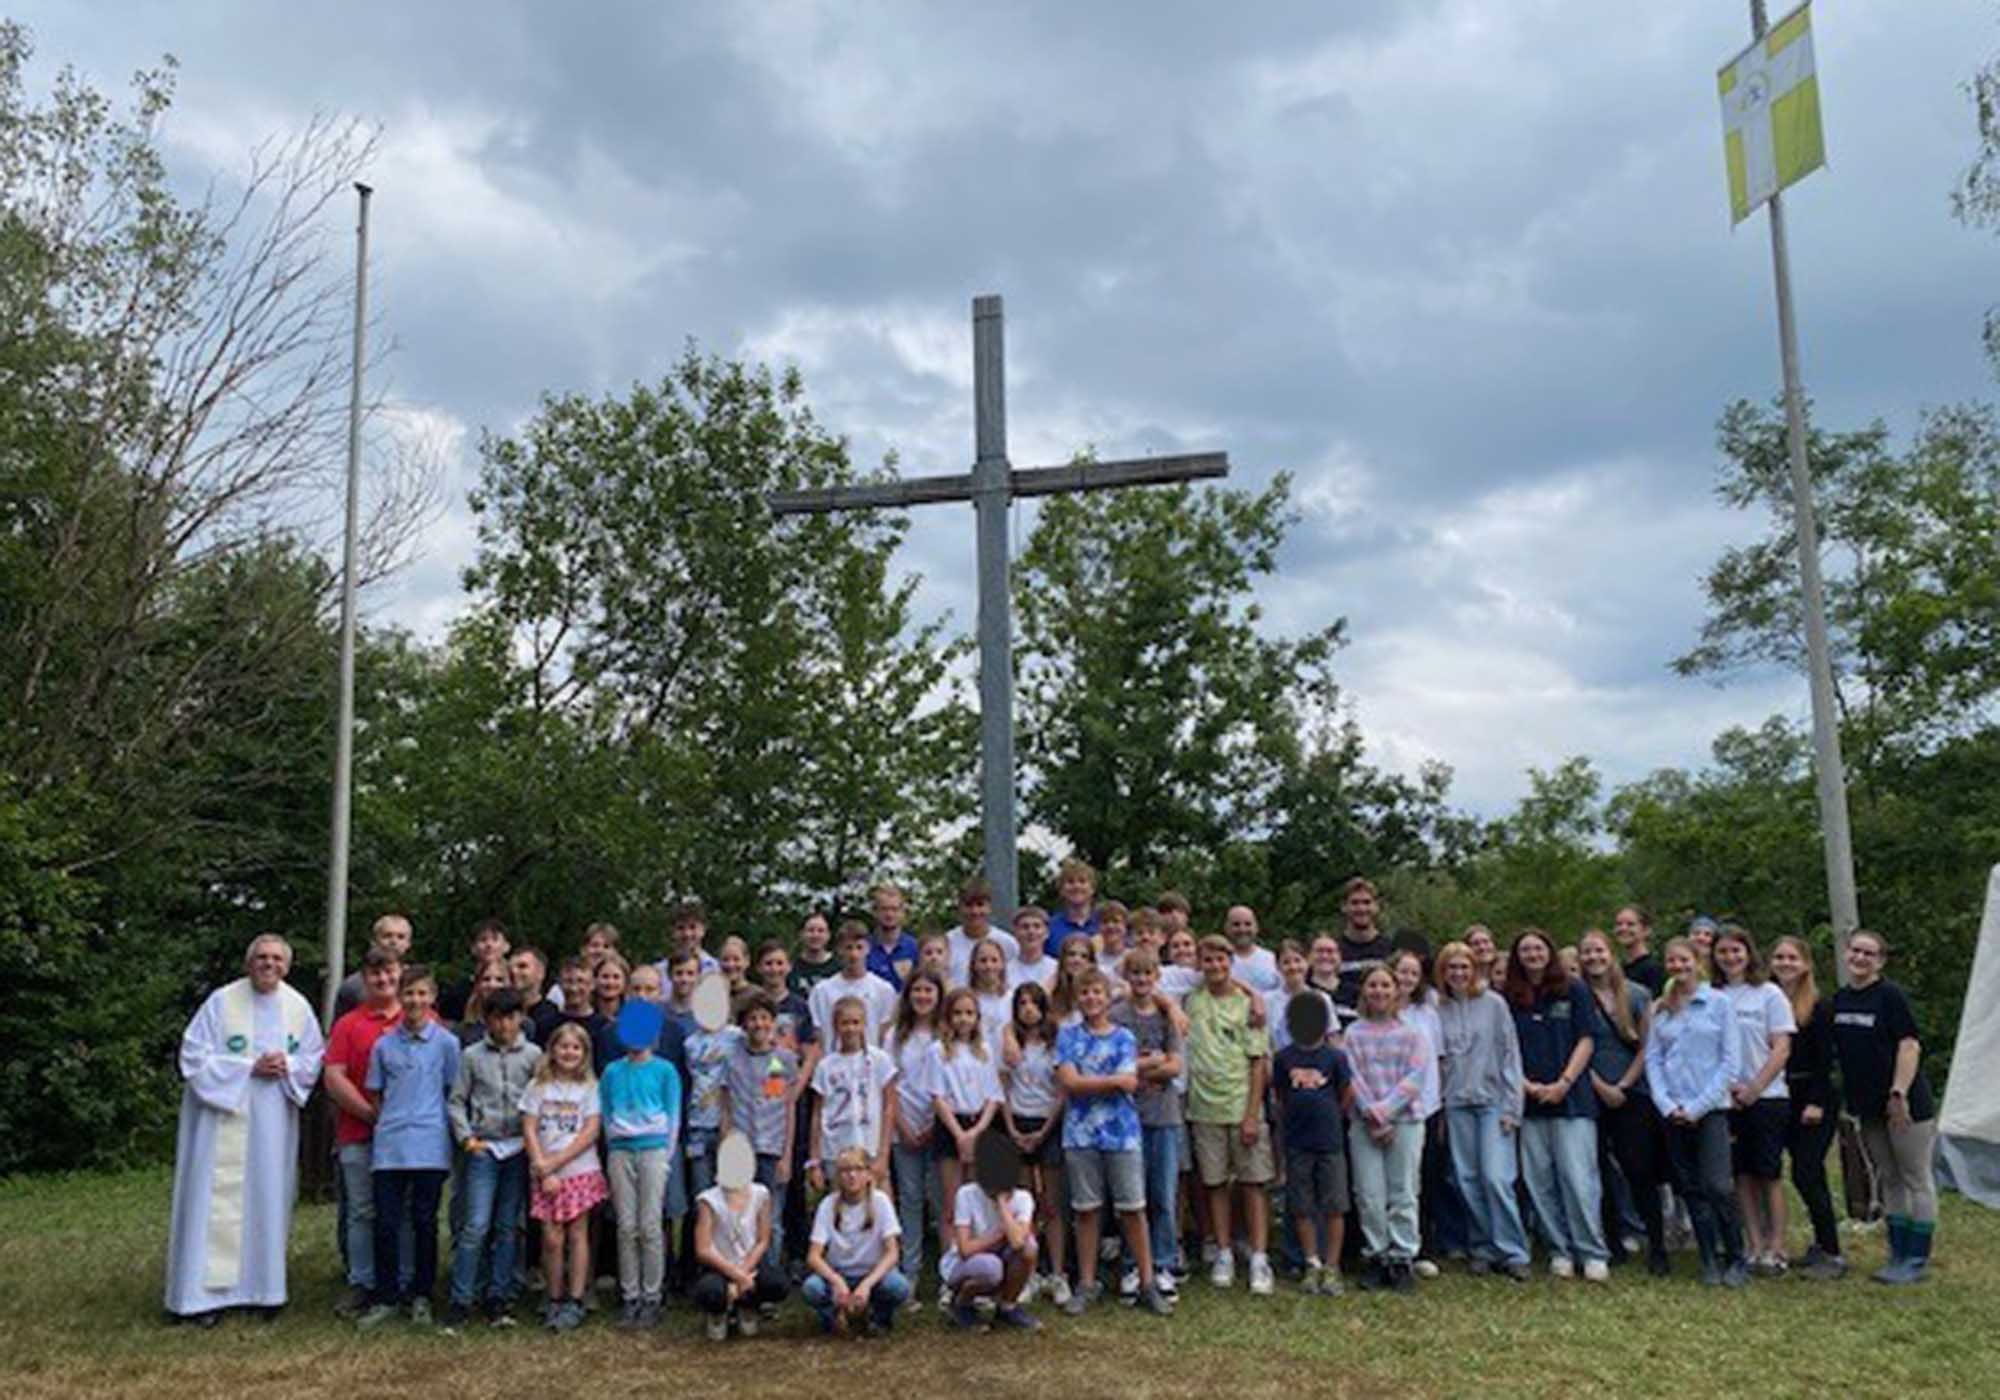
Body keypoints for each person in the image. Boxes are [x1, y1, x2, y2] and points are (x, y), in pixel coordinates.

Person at [164, 934, 324, 1325]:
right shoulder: (221, 1002)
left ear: (287, 966)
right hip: (220, 1123)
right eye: (261, 957)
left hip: (271, 1126)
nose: (268, 964)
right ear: (248, 962)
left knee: (266, 1197)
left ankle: (263, 1290)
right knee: (211, 1203)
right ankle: (201, 1300)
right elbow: (192, 1057)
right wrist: (248, 1068)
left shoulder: (297, 1006)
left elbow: (313, 1057)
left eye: (276, 959)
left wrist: (287, 1064)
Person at [1057, 969, 1172, 1317]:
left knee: (1133, 1208)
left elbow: (1128, 1082)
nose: (1091, 999)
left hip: (1122, 1133)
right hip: (1080, 1134)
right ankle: (1087, 1283)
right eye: (1084, 993)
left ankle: (1148, 1283)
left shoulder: (1124, 1036)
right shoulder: (1067, 1036)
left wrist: (1092, 1080)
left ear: (1108, 998)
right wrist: (1111, 1081)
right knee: (1087, 1209)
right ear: (1077, 999)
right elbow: (1070, 1083)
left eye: (1097, 992)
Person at [1831, 929, 1939, 1284]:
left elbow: (1909, 1045)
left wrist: (1899, 1093)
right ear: (1846, 954)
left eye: (1869, 953)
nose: (1860, 958)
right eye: (1856, 951)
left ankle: (1917, 1258)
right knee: (1888, 1177)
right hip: (1867, 1106)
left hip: (1905, 1105)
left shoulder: (1890, 996)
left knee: (1915, 1177)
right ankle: (1897, 1252)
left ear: (1880, 961)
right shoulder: (1842, 999)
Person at [358, 965, 462, 1329]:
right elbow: (377, 1093)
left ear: (432, 998)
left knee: (424, 1222)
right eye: (409, 994)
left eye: (422, 994)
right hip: (390, 1146)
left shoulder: (448, 1044)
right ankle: (386, 1296)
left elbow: (453, 1091)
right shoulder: (384, 1045)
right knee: (385, 1223)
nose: (416, 1000)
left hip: (430, 1144)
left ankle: (421, 1295)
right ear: (399, 998)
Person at [1505, 930, 1609, 1281]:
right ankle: (1559, 1249)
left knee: (1578, 1178)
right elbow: (1504, 1049)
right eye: (1525, 950)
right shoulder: (1511, 996)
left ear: (1549, 952)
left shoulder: (1574, 988)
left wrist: (1564, 1082)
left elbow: (1587, 1039)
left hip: (1571, 1100)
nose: (1532, 954)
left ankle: (1591, 1251)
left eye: (1538, 948)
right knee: (1540, 1181)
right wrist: (1526, 1086)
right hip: (1530, 1102)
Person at [1647, 937, 1748, 1287]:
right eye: (1672, 961)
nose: (1678, 966)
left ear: (1697, 961)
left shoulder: (1718, 1003)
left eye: (1684, 960)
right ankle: (1708, 1258)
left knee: (1718, 1185)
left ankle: (1736, 1255)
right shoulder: (1662, 1007)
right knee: (1690, 1187)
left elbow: (1730, 1061)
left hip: (1710, 1110)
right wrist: (1666, 1103)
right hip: (1672, 1110)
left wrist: (1698, 1107)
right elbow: (1653, 1059)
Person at [1433, 941, 1530, 1281]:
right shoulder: (1438, 1008)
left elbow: (1510, 1055)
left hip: (1493, 1102)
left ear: (1474, 970)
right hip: (1457, 1102)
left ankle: (1513, 1249)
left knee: (1496, 1176)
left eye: (1464, 967)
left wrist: (1512, 1107)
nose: (1458, 974)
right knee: (1467, 1178)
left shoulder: (1494, 1004)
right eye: (1451, 968)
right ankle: (1483, 1247)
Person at [1576, 929, 1668, 1275]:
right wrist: (1600, 1086)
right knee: (1598, 1170)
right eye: (1586, 952)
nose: (1593, 957)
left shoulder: (1637, 994)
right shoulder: (1576, 996)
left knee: (1639, 1169)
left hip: (1634, 1092)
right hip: (1591, 1091)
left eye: (1598, 950)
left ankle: (1656, 1243)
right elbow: (1576, 1046)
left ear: (1610, 953)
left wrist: (1625, 1085)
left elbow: (1649, 1045)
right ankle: (1612, 1241)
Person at [1186, 934, 1274, 1295]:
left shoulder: (1248, 1007)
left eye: (1222, 960)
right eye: (1208, 960)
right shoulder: (1192, 1001)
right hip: (1204, 1108)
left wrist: (1252, 1114)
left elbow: (1258, 1064)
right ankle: (1223, 1251)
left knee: (1252, 1184)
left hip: (1241, 1106)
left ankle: (1259, 1256)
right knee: (1215, 1184)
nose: (1215, 966)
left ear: (1230, 963)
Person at [324, 944, 405, 1317]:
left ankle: (403, 1280)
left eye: (389, 972)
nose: (383, 980)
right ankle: (362, 1281)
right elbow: (334, 1075)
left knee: (401, 1211)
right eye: (375, 974)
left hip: (406, 1138)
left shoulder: (421, 1018)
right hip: (358, 1131)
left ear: (400, 973)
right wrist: (370, 1114)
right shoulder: (347, 1024)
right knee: (361, 1210)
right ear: (365, 979)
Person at [1712, 925, 1795, 1276]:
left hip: (1767, 1096)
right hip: (1725, 1098)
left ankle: (1776, 1247)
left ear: (1748, 953)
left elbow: (1781, 1048)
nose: (1730, 957)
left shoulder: (1769, 994)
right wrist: (1728, 1088)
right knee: (1741, 1174)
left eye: (1736, 950)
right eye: (1723, 952)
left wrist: (1755, 1087)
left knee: (1768, 1173)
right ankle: (1754, 1243)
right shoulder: (1711, 995)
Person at [1345, 966, 1428, 1293]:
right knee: (1369, 1193)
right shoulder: (1353, 1034)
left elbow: (1416, 1077)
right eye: (1373, 985)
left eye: (1385, 985)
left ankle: (1402, 1256)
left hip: (1405, 1121)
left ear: (1396, 991)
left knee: (1403, 1190)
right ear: (1364, 991)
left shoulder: (1411, 1034)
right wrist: (1372, 1114)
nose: (1379, 991)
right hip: (1364, 1123)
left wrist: (1387, 1112)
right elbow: (1351, 1077)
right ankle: (1376, 1255)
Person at [599, 1008, 683, 1329]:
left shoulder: (665, 1071)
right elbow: (606, 1114)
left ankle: (652, 1296)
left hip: (654, 1150)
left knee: (650, 1226)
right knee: (626, 1226)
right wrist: (614, 1147)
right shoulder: (611, 1072)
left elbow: (673, 1116)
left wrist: (666, 1157)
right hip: (621, 1152)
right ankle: (629, 1295)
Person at [1769, 935, 1845, 1281]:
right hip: (1777, 1094)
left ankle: (1832, 1250)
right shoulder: (1767, 1001)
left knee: (1807, 1171)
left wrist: (1815, 1101)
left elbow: (1825, 1059)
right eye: (1779, 957)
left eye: (1792, 958)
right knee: (1783, 1172)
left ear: (1806, 964)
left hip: (1812, 1097)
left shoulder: (1819, 1006)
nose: (1785, 963)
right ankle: (1813, 1244)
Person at [521, 1022, 606, 1329]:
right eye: (563, 1046)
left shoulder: (589, 1088)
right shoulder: (537, 1087)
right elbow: (529, 1127)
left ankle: (576, 1297)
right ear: (552, 1049)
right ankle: (553, 1295)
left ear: (584, 1053)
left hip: (579, 1170)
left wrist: (556, 1162)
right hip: (544, 1172)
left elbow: (590, 1131)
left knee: (577, 1234)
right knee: (551, 1237)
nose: (569, 1053)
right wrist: (541, 1165)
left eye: (576, 1048)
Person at [1272, 977, 1352, 1297]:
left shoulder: (1335, 1057)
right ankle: (1311, 1263)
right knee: (1302, 1206)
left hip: (1330, 1141)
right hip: (1297, 1141)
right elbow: (1279, 1095)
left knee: (1334, 1205)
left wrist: (1331, 1115)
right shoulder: (1284, 1058)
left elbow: (1346, 1094)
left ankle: (1332, 1267)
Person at [1113, 950, 1185, 1298]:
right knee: (1132, 1196)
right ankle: (1132, 1264)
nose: (1141, 980)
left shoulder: (1167, 1014)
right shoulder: (1117, 1014)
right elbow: (1112, 1065)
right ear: (1127, 976)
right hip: (1127, 1118)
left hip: (1165, 1115)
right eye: (1135, 974)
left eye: (1147, 974)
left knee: (1163, 1194)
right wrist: (1147, 1064)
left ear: (1157, 976)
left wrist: (1139, 1066)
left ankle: (1163, 1263)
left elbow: (1175, 1066)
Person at [1393, 948, 1462, 1275]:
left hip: (1428, 1105)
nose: (1405, 978)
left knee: (1427, 1178)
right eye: (1400, 972)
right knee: (1397, 1180)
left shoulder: (1428, 1013)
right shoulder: (1381, 1011)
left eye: (1412, 973)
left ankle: (1424, 1247)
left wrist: (1442, 1105)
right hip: (1391, 1108)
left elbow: (1439, 1061)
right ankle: (1394, 1245)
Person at [1001, 980, 1069, 1307]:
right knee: (1024, 1205)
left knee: (1051, 1203)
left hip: (1048, 1123)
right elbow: (1001, 1088)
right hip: (1017, 1122)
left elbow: (1061, 1091)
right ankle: (1028, 1273)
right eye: (1022, 1003)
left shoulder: (1054, 1044)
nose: (1028, 1009)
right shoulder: (1009, 1043)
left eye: (1034, 1003)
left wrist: (1044, 1130)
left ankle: (1058, 1272)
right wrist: (1012, 1128)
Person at [719, 992, 800, 1259]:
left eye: (764, 1017)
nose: (759, 1024)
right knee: (740, 1217)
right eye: (752, 1018)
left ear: (773, 1022)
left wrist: (786, 1155)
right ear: (743, 1024)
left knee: (771, 1218)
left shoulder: (784, 1060)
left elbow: (786, 1107)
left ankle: (769, 1277)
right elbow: (726, 1107)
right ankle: (742, 1275)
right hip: (741, 1148)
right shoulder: (732, 1059)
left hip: (772, 1147)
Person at [804, 1147, 911, 1335]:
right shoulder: (828, 1204)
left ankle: (878, 1318)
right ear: (838, 1176)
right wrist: (836, 1281)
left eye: (858, 1169)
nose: (851, 1176)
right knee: (812, 1288)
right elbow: (814, 1256)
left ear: (868, 1174)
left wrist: (868, 1284)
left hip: (872, 1275)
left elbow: (893, 1252)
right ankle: (833, 1318)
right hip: (839, 1274)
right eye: (845, 1171)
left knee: (899, 1287)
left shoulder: (881, 1202)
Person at [885, 972, 944, 1297]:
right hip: (903, 1128)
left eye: (929, 990)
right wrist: (902, 1126)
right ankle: (910, 1273)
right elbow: (889, 1085)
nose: (923, 996)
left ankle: (949, 1275)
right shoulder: (895, 1036)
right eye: (917, 990)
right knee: (909, 1200)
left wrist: (935, 1124)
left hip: (939, 1127)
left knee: (941, 1201)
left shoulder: (947, 1034)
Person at [940, 1159, 1042, 1332]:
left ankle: (1007, 1307)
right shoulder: (966, 1194)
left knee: (1029, 1248)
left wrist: (1002, 1205)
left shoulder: (1023, 1198)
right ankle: (961, 1304)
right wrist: (999, 1235)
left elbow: (1018, 1242)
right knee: (991, 1268)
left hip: (1002, 1256)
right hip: (965, 1264)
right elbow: (965, 1249)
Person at [691, 1158, 788, 1339]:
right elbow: (703, 1249)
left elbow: (763, 1240)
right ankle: (718, 1312)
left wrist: (743, 1274)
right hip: (719, 1266)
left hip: (750, 1265)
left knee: (777, 1283)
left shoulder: (761, 1194)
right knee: (709, 1290)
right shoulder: (708, 1199)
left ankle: (747, 1304)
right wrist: (736, 1276)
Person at [931, 988, 1004, 1226]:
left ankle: (977, 1255)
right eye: (957, 1013)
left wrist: (976, 1132)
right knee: (951, 1201)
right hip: (951, 1124)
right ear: (948, 1017)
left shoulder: (984, 1049)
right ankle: (949, 1258)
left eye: (969, 1013)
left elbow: (993, 1096)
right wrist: (960, 1135)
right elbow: (938, 1096)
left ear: (977, 1018)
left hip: (980, 1124)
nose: (963, 1019)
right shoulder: (938, 1050)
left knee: (978, 1198)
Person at [810, 997, 899, 1190]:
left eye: (855, 1022)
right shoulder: (826, 1066)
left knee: (879, 1206)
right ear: (835, 1026)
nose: (850, 1028)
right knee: (841, 1209)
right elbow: (818, 1113)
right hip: (836, 1150)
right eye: (845, 1023)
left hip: (870, 1147)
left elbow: (889, 1107)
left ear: (864, 1024)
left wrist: (883, 1154)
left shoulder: (879, 1060)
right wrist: (815, 1160)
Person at [809, 922, 900, 1050]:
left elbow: (885, 1033)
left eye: (859, 947)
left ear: (868, 949)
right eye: (848, 948)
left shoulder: (884, 990)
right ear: (839, 950)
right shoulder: (822, 991)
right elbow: (819, 1035)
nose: (854, 955)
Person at [334, 913, 414, 1018]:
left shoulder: (418, 982)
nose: (394, 942)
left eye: (401, 937)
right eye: (387, 936)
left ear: (408, 944)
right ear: (374, 941)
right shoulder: (353, 986)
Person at [945, 875, 1018, 989]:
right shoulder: (947, 943)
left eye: (980, 905)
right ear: (959, 907)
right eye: (968, 905)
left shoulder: (1008, 943)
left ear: (989, 907)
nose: (975, 911)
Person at [1335, 878, 1397, 1008]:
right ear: (1343, 907)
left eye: (1367, 902)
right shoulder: (1331, 952)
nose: (1361, 908)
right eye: (1355, 903)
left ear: (1376, 906)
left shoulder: (1391, 950)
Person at [439, 918, 510, 1023]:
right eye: (483, 940)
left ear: (506, 946)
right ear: (473, 948)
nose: (489, 945)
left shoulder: (518, 986)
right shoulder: (459, 992)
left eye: (495, 939)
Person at [970, 935, 1018, 1056]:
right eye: (983, 960)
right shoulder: (967, 1000)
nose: (989, 966)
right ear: (974, 965)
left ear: (1002, 964)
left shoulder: (1013, 999)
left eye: (994, 960)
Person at [867, 883, 919, 991]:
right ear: (875, 912)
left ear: (903, 913)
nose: (889, 914)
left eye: (894, 909)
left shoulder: (915, 948)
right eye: (884, 909)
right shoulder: (863, 947)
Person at [1225, 905, 1282, 1000]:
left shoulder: (1271, 959)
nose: (1242, 929)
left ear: (1256, 927)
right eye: (1236, 924)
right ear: (1227, 928)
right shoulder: (1219, 962)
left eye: (1248, 924)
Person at [453, 957, 512, 1047]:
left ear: (509, 984)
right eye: (486, 979)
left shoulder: (524, 1026)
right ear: (477, 985)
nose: (492, 985)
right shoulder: (462, 1031)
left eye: (499, 980)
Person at [508, 947, 562, 1045]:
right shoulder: (501, 1012)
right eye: (510, 968)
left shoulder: (552, 1016)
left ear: (541, 973)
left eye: (522, 966)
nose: (514, 972)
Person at [1047, 857, 1101, 944]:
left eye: (1082, 881)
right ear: (1061, 889)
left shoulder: (1105, 923)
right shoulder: (1049, 927)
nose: (1076, 886)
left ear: (1092, 889)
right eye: (1070, 882)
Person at [1614, 906, 1665, 996]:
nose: (1623, 928)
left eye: (1630, 924)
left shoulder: (1652, 969)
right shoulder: (1617, 968)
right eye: (1619, 924)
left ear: (1646, 930)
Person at [1007, 904, 1059, 992]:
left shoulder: (1056, 969)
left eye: (1037, 926)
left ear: (1047, 933)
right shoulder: (1005, 971)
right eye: (1025, 927)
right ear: (1015, 933)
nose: (1031, 931)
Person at [788, 911, 840, 998]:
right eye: (810, 930)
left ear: (828, 935)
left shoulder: (839, 968)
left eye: (820, 931)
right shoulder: (791, 968)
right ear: (801, 934)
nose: (815, 935)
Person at [1095, 901, 1132, 981]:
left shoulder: (1135, 957)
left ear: (1125, 926)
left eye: (1116, 921)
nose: (1110, 926)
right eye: (1105, 922)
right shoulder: (1093, 961)